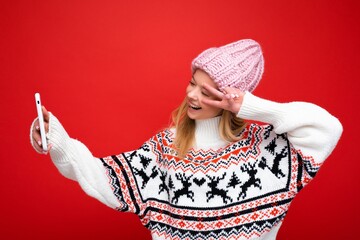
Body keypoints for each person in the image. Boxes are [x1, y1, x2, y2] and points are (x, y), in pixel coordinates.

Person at [30, 39, 343, 240]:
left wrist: (250, 106)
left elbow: (327, 128)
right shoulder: (166, 149)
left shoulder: (266, 151)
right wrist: (58, 140)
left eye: (206, 92)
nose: (192, 95)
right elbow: (103, 177)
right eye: (192, 84)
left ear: (228, 99)